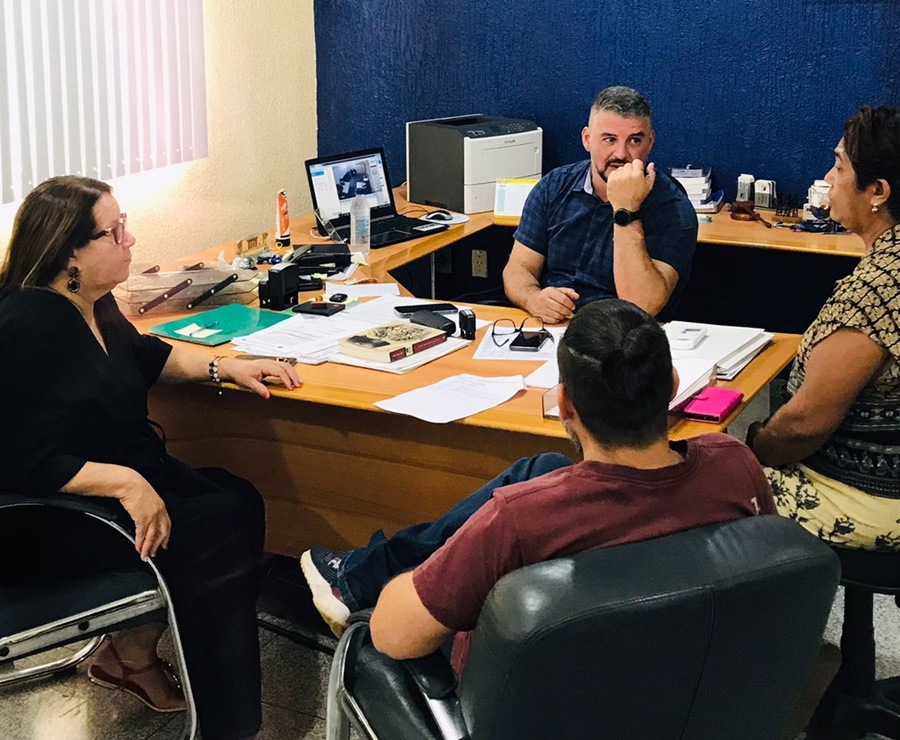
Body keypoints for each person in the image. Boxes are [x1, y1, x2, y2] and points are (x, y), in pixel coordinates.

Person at [302, 299, 774, 668]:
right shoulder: (734, 463)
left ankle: (358, 580)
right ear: (672, 385)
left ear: (564, 404)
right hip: (685, 673)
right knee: (544, 465)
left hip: (539, 696)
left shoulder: (520, 518)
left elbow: (394, 637)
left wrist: (436, 578)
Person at [0, 176, 302, 740]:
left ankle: (131, 655)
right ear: (69, 252)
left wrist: (226, 366)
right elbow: (17, 460)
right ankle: (226, 722)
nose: (130, 240)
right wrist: (125, 483)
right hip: (53, 516)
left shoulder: (93, 304)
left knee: (236, 495)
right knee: (216, 526)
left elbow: (148, 356)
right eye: (114, 232)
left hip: (120, 485)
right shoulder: (28, 325)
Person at [747, 105, 900, 552]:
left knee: (692, 485)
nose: (829, 179)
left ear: (877, 191)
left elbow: (804, 426)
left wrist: (754, 448)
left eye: (839, 166)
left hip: (864, 497)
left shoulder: (875, 292)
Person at [502, 86, 698, 325]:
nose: (621, 154)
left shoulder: (672, 208)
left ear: (650, 142)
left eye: (634, 140)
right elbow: (519, 267)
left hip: (622, 332)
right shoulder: (553, 187)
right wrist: (532, 298)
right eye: (609, 139)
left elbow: (642, 305)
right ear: (587, 139)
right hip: (553, 325)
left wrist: (626, 210)